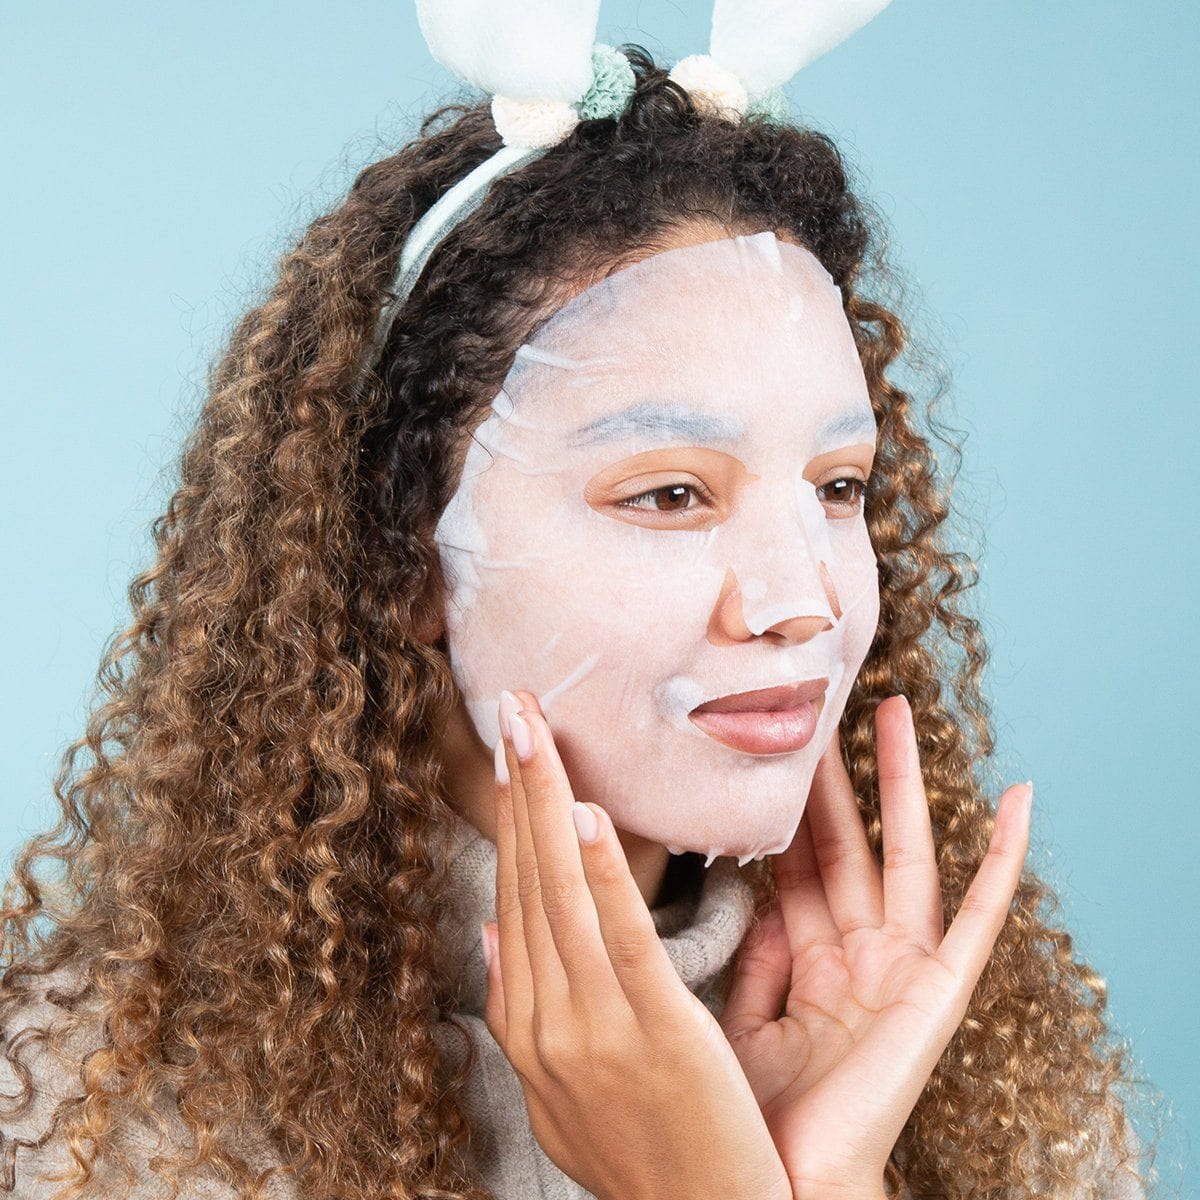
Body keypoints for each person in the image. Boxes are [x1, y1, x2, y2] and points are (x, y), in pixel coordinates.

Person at [0, 16, 1160, 1200]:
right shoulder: (81, 1124)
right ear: (407, 561)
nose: (802, 601)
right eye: (669, 491)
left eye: (838, 488)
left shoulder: (971, 1083)